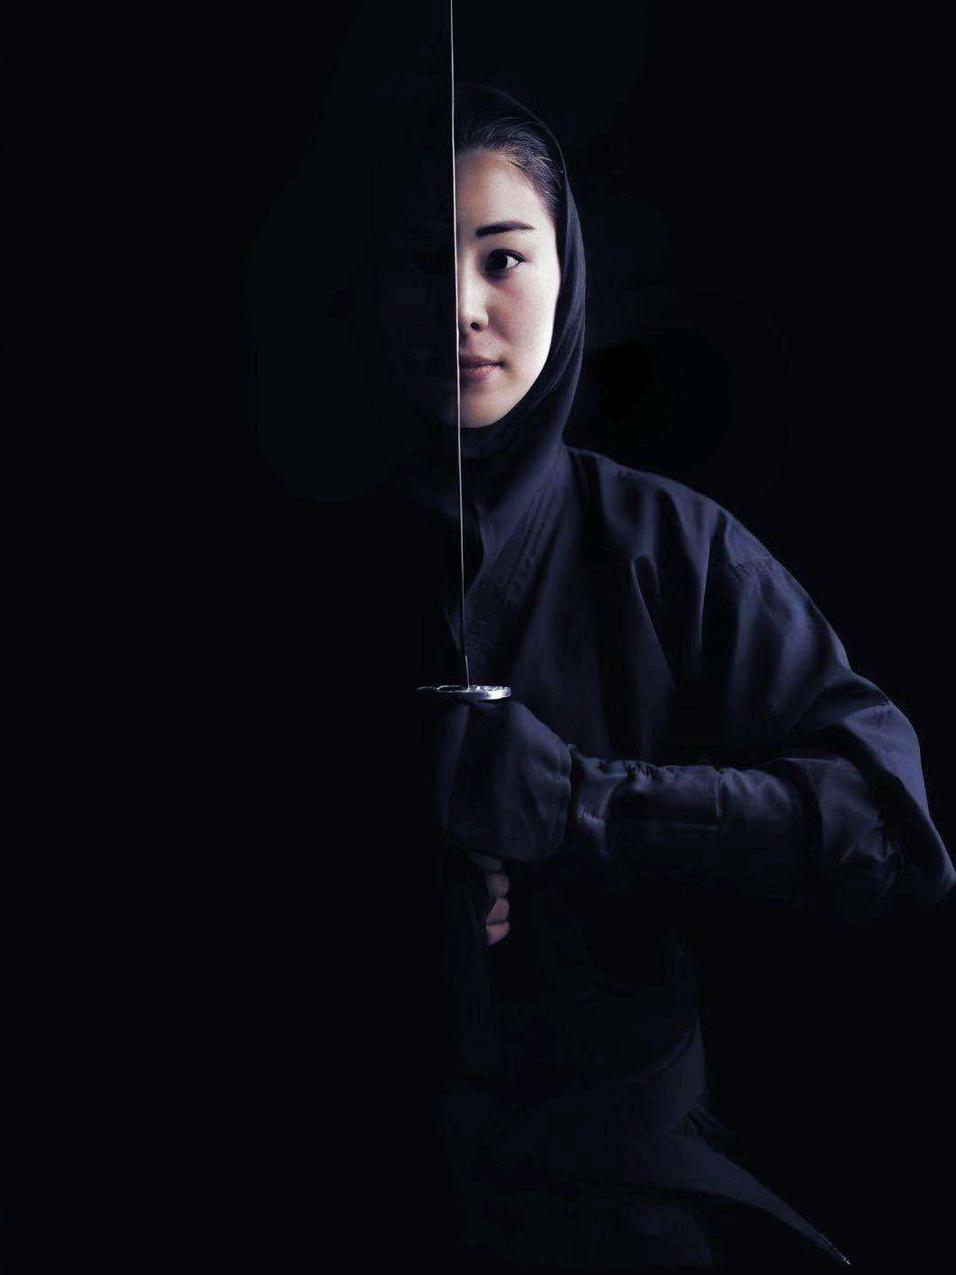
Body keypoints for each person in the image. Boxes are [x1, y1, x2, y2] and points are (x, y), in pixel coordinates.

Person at [245, 80, 955, 1270]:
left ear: (565, 272)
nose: (461, 306)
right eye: (421, 263)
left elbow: (886, 831)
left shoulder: (669, 547)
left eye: (502, 258)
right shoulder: (289, 569)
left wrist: (579, 806)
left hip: (627, 1186)